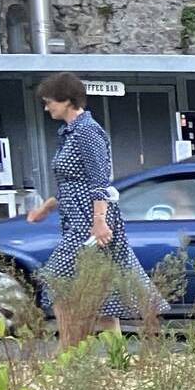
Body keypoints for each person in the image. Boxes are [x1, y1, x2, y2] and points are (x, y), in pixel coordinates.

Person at [27, 72, 165, 346]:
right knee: (102, 292)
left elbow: (99, 181)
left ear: (67, 100)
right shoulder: (69, 133)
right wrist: (47, 206)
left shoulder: (88, 132)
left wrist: (99, 221)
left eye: (49, 102)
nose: (47, 108)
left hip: (89, 224)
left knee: (56, 281)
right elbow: (73, 181)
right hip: (77, 219)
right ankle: (118, 359)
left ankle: (67, 353)